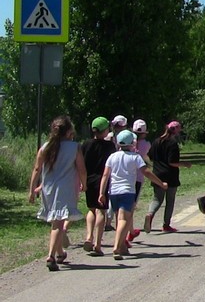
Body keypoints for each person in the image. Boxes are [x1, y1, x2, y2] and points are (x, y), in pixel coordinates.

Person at [28, 116, 87, 271]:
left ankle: (60, 253)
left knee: (56, 222)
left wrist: (32, 189)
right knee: (58, 223)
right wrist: (84, 184)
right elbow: (81, 169)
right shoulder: (74, 147)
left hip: (48, 189)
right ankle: (51, 256)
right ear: (68, 131)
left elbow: (37, 169)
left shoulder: (45, 147)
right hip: (65, 188)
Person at [99, 130, 167, 260]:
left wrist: (101, 193)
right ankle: (117, 247)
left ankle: (122, 246)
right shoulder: (135, 157)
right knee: (124, 220)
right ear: (132, 143)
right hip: (127, 191)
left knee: (119, 219)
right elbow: (146, 172)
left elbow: (105, 175)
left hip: (113, 192)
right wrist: (161, 183)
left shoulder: (112, 156)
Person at [144, 121, 192, 233]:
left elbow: (149, 156)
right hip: (170, 175)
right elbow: (172, 162)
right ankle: (166, 225)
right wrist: (185, 164)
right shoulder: (173, 143)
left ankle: (150, 214)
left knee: (157, 199)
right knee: (170, 201)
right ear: (175, 131)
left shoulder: (156, 141)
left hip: (157, 174)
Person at [80, 116, 117, 255]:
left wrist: (81, 181)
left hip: (89, 180)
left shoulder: (86, 144)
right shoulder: (109, 146)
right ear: (105, 130)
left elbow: (81, 164)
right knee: (101, 211)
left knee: (91, 210)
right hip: (103, 181)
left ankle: (89, 236)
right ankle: (97, 244)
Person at [127, 119, 150, 243]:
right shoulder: (146, 144)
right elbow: (146, 157)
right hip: (138, 178)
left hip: (127, 177)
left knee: (125, 206)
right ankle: (128, 232)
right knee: (131, 206)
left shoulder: (128, 144)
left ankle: (130, 230)